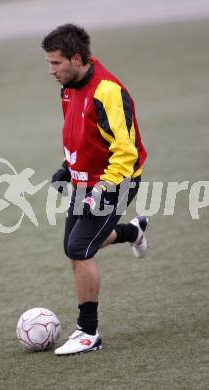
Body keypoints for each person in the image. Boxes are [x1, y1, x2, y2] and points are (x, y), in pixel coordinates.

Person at [42, 24, 148, 355]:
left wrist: (101, 190)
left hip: (117, 180)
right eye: (48, 63)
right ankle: (133, 232)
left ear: (76, 58)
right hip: (85, 180)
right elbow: (79, 132)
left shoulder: (109, 92)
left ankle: (89, 333)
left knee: (79, 248)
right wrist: (67, 165)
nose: (51, 71)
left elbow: (126, 151)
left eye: (56, 63)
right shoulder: (69, 87)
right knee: (75, 245)